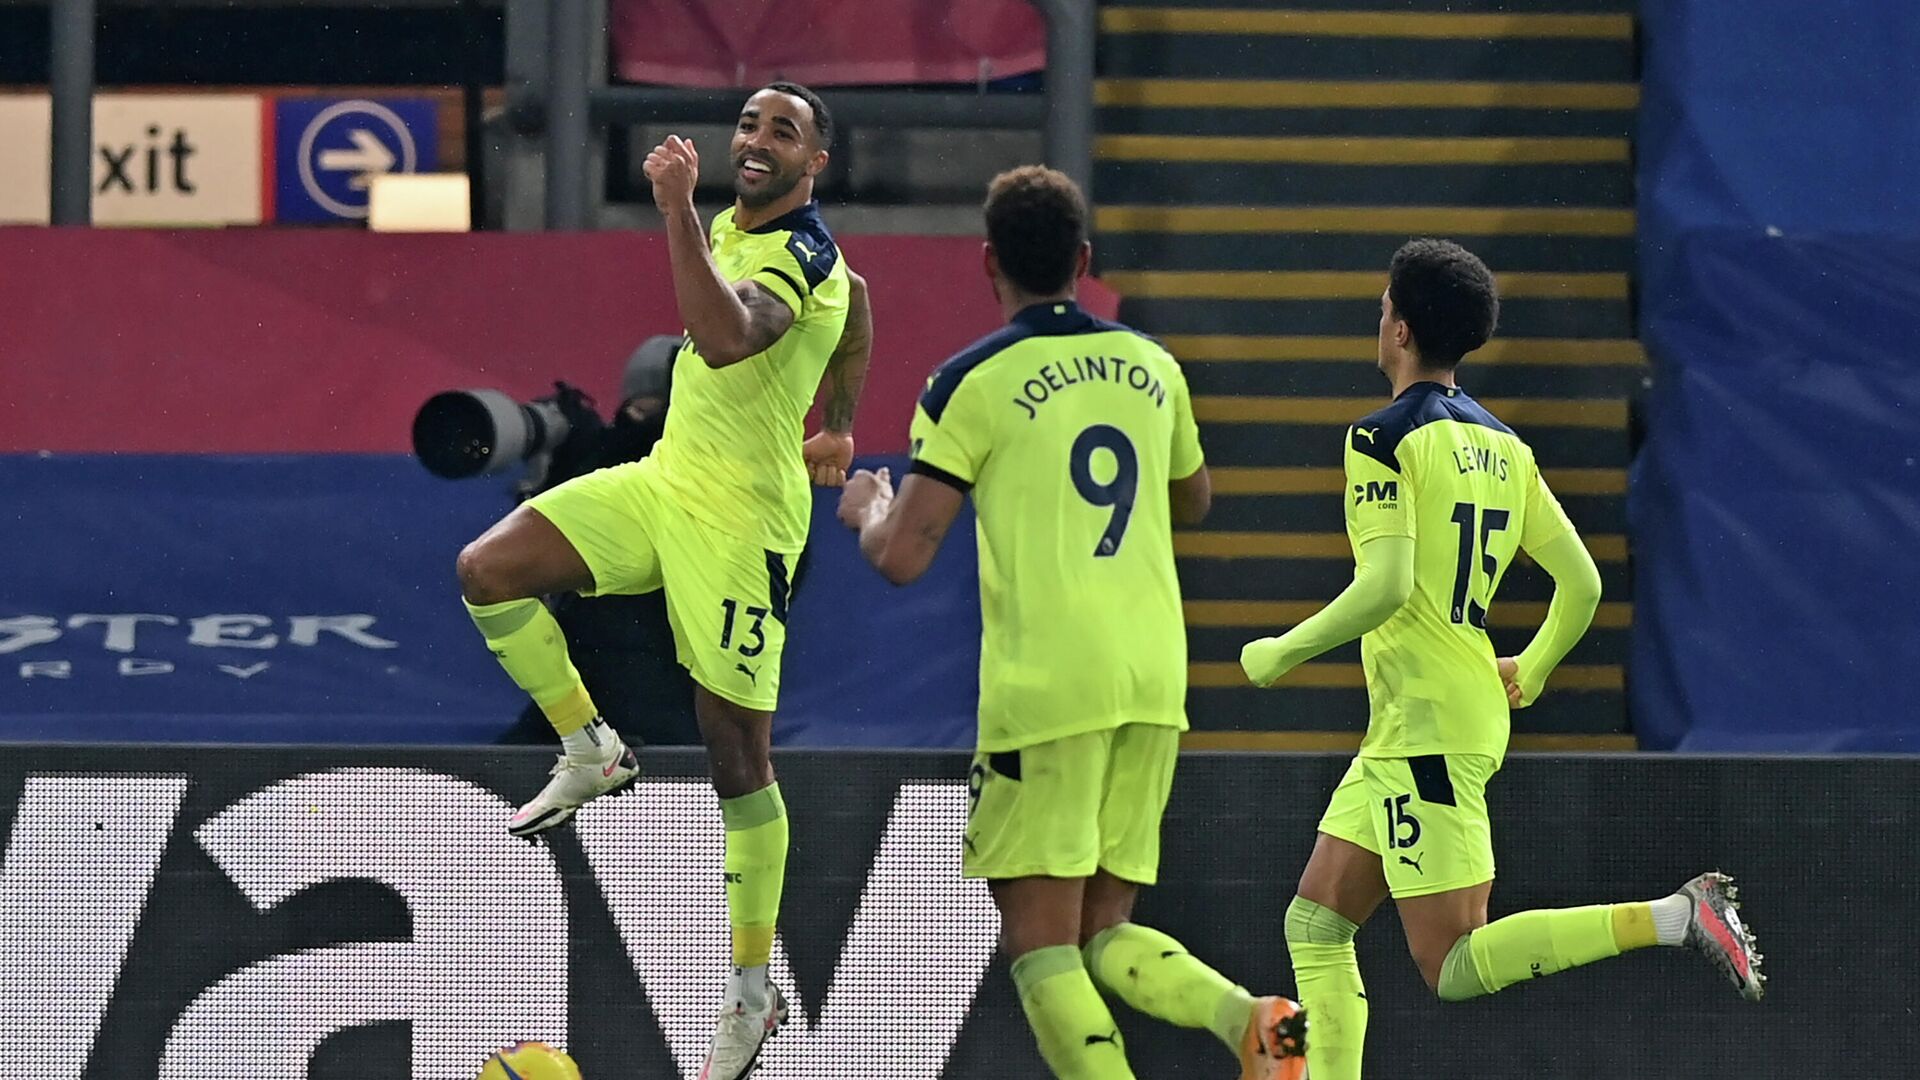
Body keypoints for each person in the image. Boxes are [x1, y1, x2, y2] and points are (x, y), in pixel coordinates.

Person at [1239, 239, 1764, 1080]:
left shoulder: (1380, 440)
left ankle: (1675, 915)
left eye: (1381, 309)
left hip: (1429, 732)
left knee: (1451, 964)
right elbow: (1583, 583)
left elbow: (1384, 586)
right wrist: (1537, 664)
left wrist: (1282, 652)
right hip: (1425, 720)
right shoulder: (1505, 448)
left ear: (1401, 329)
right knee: (1314, 924)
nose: (1377, 321)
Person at [837, 165, 1306, 1080]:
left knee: (1040, 943)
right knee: (1106, 933)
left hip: (1047, 688)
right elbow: (1193, 499)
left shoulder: (968, 381)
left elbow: (904, 556)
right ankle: (1249, 1019)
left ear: (988, 262)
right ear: (1083, 260)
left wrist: (868, 511)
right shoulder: (1152, 367)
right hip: (1152, 679)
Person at [454, 82, 872, 1079]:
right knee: (488, 571)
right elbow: (860, 314)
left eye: (784, 130)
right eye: (749, 124)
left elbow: (730, 340)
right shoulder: (744, 228)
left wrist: (676, 209)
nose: (756, 140)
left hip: (740, 528)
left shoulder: (797, 249)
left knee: (738, 758)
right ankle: (590, 746)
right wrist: (843, 418)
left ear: (818, 162)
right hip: (661, 486)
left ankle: (748, 991)